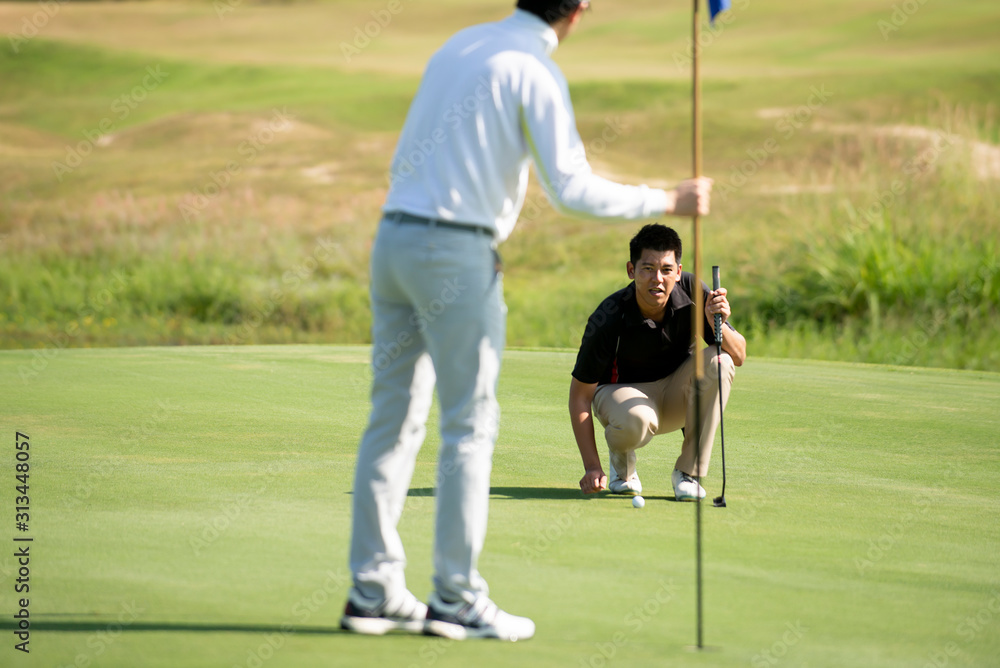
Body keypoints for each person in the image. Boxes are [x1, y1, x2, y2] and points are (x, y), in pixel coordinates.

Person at [342, 0, 713, 642]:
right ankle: (456, 597)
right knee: (469, 421)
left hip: (393, 240)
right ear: (580, 11)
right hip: (455, 251)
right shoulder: (533, 69)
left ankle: (372, 590)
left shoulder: (461, 43)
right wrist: (669, 199)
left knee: (393, 416)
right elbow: (570, 187)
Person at [569, 224, 746, 500]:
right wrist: (592, 467)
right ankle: (621, 464)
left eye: (666, 269)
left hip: (676, 396)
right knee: (637, 419)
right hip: (622, 400)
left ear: (678, 270)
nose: (657, 279)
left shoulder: (692, 290)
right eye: (647, 269)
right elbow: (579, 397)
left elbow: (739, 355)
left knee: (720, 361)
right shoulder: (608, 316)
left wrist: (718, 320)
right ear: (631, 270)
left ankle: (688, 473)